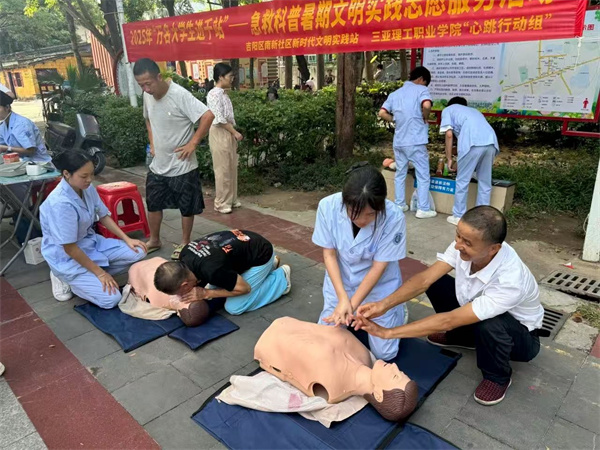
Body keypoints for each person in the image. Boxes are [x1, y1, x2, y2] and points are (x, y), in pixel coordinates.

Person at [354, 206, 545, 406]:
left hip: (520, 339)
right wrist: (382, 305)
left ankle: (497, 377)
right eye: (458, 235)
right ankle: (461, 337)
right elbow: (424, 280)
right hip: (475, 308)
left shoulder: (510, 280)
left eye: (467, 242)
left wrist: (388, 333)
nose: (458, 245)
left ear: (493, 249)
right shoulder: (464, 246)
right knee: (436, 281)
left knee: (489, 324)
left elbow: (449, 320)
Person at [312, 165, 408, 361]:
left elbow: (379, 267)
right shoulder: (328, 207)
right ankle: (345, 307)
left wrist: (352, 305)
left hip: (378, 286)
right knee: (326, 340)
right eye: (354, 212)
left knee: (385, 354)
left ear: (381, 206)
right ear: (345, 202)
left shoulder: (394, 217)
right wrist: (343, 299)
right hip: (341, 281)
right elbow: (329, 254)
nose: (362, 220)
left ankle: (399, 311)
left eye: (371, 214)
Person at [255, 317, 418, 421]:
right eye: (399, 372)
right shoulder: (364, 356)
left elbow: (287, 372)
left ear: (379, 394)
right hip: (286, 324)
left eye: (395, 376)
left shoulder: (332, 388)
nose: (394, 366)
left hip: (270, 339)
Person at [40, 152, 147, 307]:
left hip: (90, 242)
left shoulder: (86, 188)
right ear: (66, 174)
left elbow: (103, 215)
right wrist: (101, 274)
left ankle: (90, 274)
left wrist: (127, 239)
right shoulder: (60, 204)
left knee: (139, 250)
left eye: (91, 174)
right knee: (111, 300)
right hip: (66, 256)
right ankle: (64, 276)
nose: (89, 179)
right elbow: (69, 248)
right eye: (84, 176)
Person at [133, 58, 215, 260]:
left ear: (159, 77)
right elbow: (148, 119)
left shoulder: (179, 94)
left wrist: (193, 143)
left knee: (186, 207)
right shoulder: (147, 96)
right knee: (153, 203)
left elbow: (208, 115)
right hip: (158, 164)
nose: (146, 89)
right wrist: (152, 142)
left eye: (148, 84)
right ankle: (154, 240)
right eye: (141, 85)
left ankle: (185, 242)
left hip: (182, 165)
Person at [153, 229, 291, 315]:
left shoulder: (212, 270)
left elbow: (245, 289)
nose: (180, 296)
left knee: (235, 307)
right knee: (217, 286)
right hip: (244, 242)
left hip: (261, 252)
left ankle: (281, 278)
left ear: (184, 285)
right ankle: (269, 267)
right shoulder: (184, 254)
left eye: (179, 293)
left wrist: (206, 293)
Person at [379, 67, 437, 219]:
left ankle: (400, 204)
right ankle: (423, 208)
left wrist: (395, 120)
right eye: (425, 83)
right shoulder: (421, 90)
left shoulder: (395, 94)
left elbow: (382, 112)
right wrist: (425, 117)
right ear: (421, 79)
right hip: (415, 140)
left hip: (399, 141)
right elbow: (426, 105)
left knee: (400, 173)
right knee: (423, 174)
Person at [440, 97, 500, 226]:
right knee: (485, 182)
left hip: (472, 143)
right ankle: (483, 217)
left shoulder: (448, 110)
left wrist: (449, 158)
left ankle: (458, 215)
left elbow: (449, 135)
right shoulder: (474, 111)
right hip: (491, 142)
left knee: (462, 181)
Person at [206, 63, 243, 214]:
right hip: (219, 131)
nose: (232, 79)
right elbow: (219, 118)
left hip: (227, 131)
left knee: (231, 166)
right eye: (230, 76)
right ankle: (221, 202)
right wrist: (235, 132)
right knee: (222, 169)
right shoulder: (214, 95)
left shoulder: (224, 94)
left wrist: (232, 132)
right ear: (221, 77)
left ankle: (231, 199)